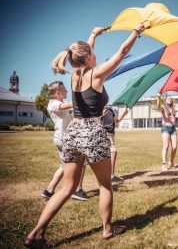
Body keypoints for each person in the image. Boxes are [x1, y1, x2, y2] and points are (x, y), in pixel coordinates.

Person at [24, 23, 146, 247]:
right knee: (105, 185)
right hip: (92, 131)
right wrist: (137, 32)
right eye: (92, 53)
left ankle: (35, 234)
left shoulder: (74, 75)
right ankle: (107, 230)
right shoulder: (96, 74)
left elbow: (81, 55)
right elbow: (122, 52)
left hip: (73, 133)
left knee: (67, 188)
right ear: (89, 57)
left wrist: (92, 35)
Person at [42, 81, 89, 201]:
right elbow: (68, 105)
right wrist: (84, 96)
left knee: (65, 165)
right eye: (64, 89)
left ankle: (49, 191)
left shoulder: (60, 102)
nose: (67, 91)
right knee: (81, 161)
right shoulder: (53, 103)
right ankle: (77, 190)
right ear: (58, 92)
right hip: (63, 138)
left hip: (64, 137)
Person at [157, 94, 178, 171]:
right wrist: (158, 98)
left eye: (171, 99)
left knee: (174, 147)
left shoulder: (173, 109)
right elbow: (158, 106)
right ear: (165, 100)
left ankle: (172, 162)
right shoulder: (163, 108)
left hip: (173, 128)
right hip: (165, 128)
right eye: (168, 98)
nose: (170, 99)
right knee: (166, 147)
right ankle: (164, 164)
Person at [101, 105, 129, 182]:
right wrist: (101, 114)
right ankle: (110, 176)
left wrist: (124, 114)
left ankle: (109, 175)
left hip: (111, 134)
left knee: (108, 154)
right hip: (104, 133)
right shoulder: (99, 108)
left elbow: (116, 120)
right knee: (113, 151)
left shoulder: (110, 109)